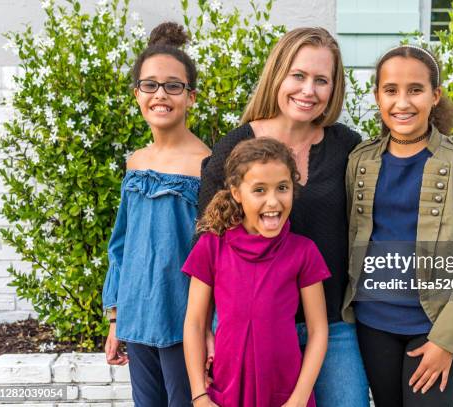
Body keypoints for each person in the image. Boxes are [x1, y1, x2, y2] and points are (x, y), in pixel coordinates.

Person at [195, 27, 370, 407]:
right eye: (299, 76)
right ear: (278, 75)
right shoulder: (237, 145)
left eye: (321, 80)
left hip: (331, 326)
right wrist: (208, 327)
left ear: (333, 88)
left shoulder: (347, 147)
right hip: (250, 328)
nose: (308, 90)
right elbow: (208, 239)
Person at [342, 45, 453, 406]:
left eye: (415, 89)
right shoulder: (360, 160)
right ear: (377, 96)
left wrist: (448, 340)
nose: (403, 102)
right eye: (391, 90)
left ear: (435, 95)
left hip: (433, 325)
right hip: (372, 321)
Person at [102, 22, 210, 407]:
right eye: (150, 85)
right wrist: (116, 318)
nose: (160, 94)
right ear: (137, 94)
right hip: (137, 315)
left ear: (191, 96)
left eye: (173, 86)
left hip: (184, 321)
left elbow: (217, 254)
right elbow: (121, 246)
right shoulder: (136, 162)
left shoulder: (208, 165)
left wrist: (211, 328)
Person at [182, 138, 330, 407]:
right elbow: (193, 323)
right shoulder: (211, 247)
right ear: (237, 193)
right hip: (226, 393)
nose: (273, 201)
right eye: (259, 190)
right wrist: (199, 395)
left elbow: (318, 330)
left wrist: (298, 399)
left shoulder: (304, 252)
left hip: (285, 395)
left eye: (282, 188)